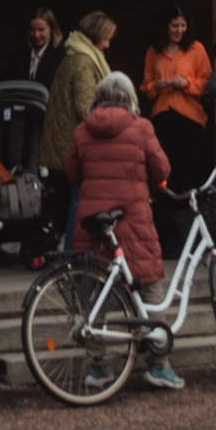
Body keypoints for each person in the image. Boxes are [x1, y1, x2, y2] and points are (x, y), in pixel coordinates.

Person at [66, 71, 181, 392]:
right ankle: (159, 365)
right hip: (134, 224)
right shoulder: (141, 127)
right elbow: (162, 170)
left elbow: (73, 175)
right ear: (130, 97)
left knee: (95, 296)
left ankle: (95, 367)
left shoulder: (81, 131)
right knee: (151, 292)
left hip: (92, 223)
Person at [38, 9, 116, 245]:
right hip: (73, 145)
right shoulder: (84, 62)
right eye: (107, 38)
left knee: (72, 201)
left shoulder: (74, 55)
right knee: (76, 201)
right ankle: (71, 255)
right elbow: (86, 108)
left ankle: (70, 253)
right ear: (96, 36)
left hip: (65, 142)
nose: (108, 45)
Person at [141, 1, 212, 255]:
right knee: (164, 180)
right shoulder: (154, 51)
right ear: (165, 26)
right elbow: (145, 86)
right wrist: (157, 86)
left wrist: (186, 83)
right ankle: (168, 242)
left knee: (191, 180)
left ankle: (195, 241)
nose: (180, 30)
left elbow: (208, 83)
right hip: (162, 121)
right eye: (174, 26)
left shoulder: (196, 49)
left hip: (190, 122)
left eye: (183, 25)